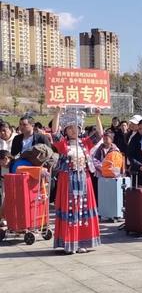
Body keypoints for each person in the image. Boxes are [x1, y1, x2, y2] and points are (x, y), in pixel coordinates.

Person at [50, 107, 103, 254]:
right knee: (70, 211)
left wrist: (97, 117)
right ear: (66, 130)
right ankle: (69, 243)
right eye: (70, 128)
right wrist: (57, 113)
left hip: (84, 180)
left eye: (76, 128)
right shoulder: (63, 145)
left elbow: (100, 135)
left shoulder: (85, 143)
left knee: (83, 210)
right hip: (67, 181)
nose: (73, 130)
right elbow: (54, 133)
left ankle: (82, 242)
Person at [126, 118, 142, 186]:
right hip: (139, 170)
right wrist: (140, 166)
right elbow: (130, 155)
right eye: (140, 129)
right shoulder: (135, 139)